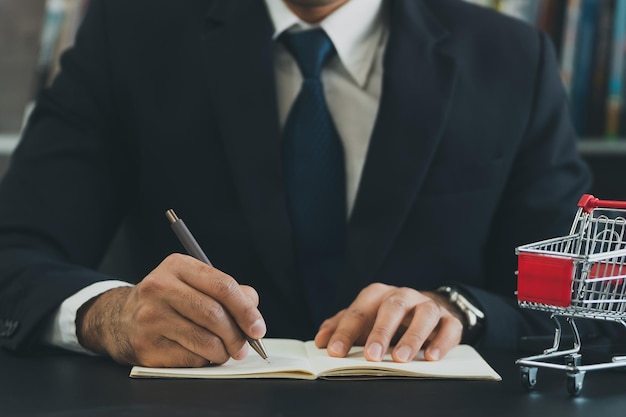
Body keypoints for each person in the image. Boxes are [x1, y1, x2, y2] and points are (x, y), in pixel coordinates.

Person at [0, 0, 597, 368]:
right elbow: (13, 255)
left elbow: (589, 295)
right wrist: (114, 316)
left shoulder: (510, 59)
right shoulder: (129, 36)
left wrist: (459, 309)